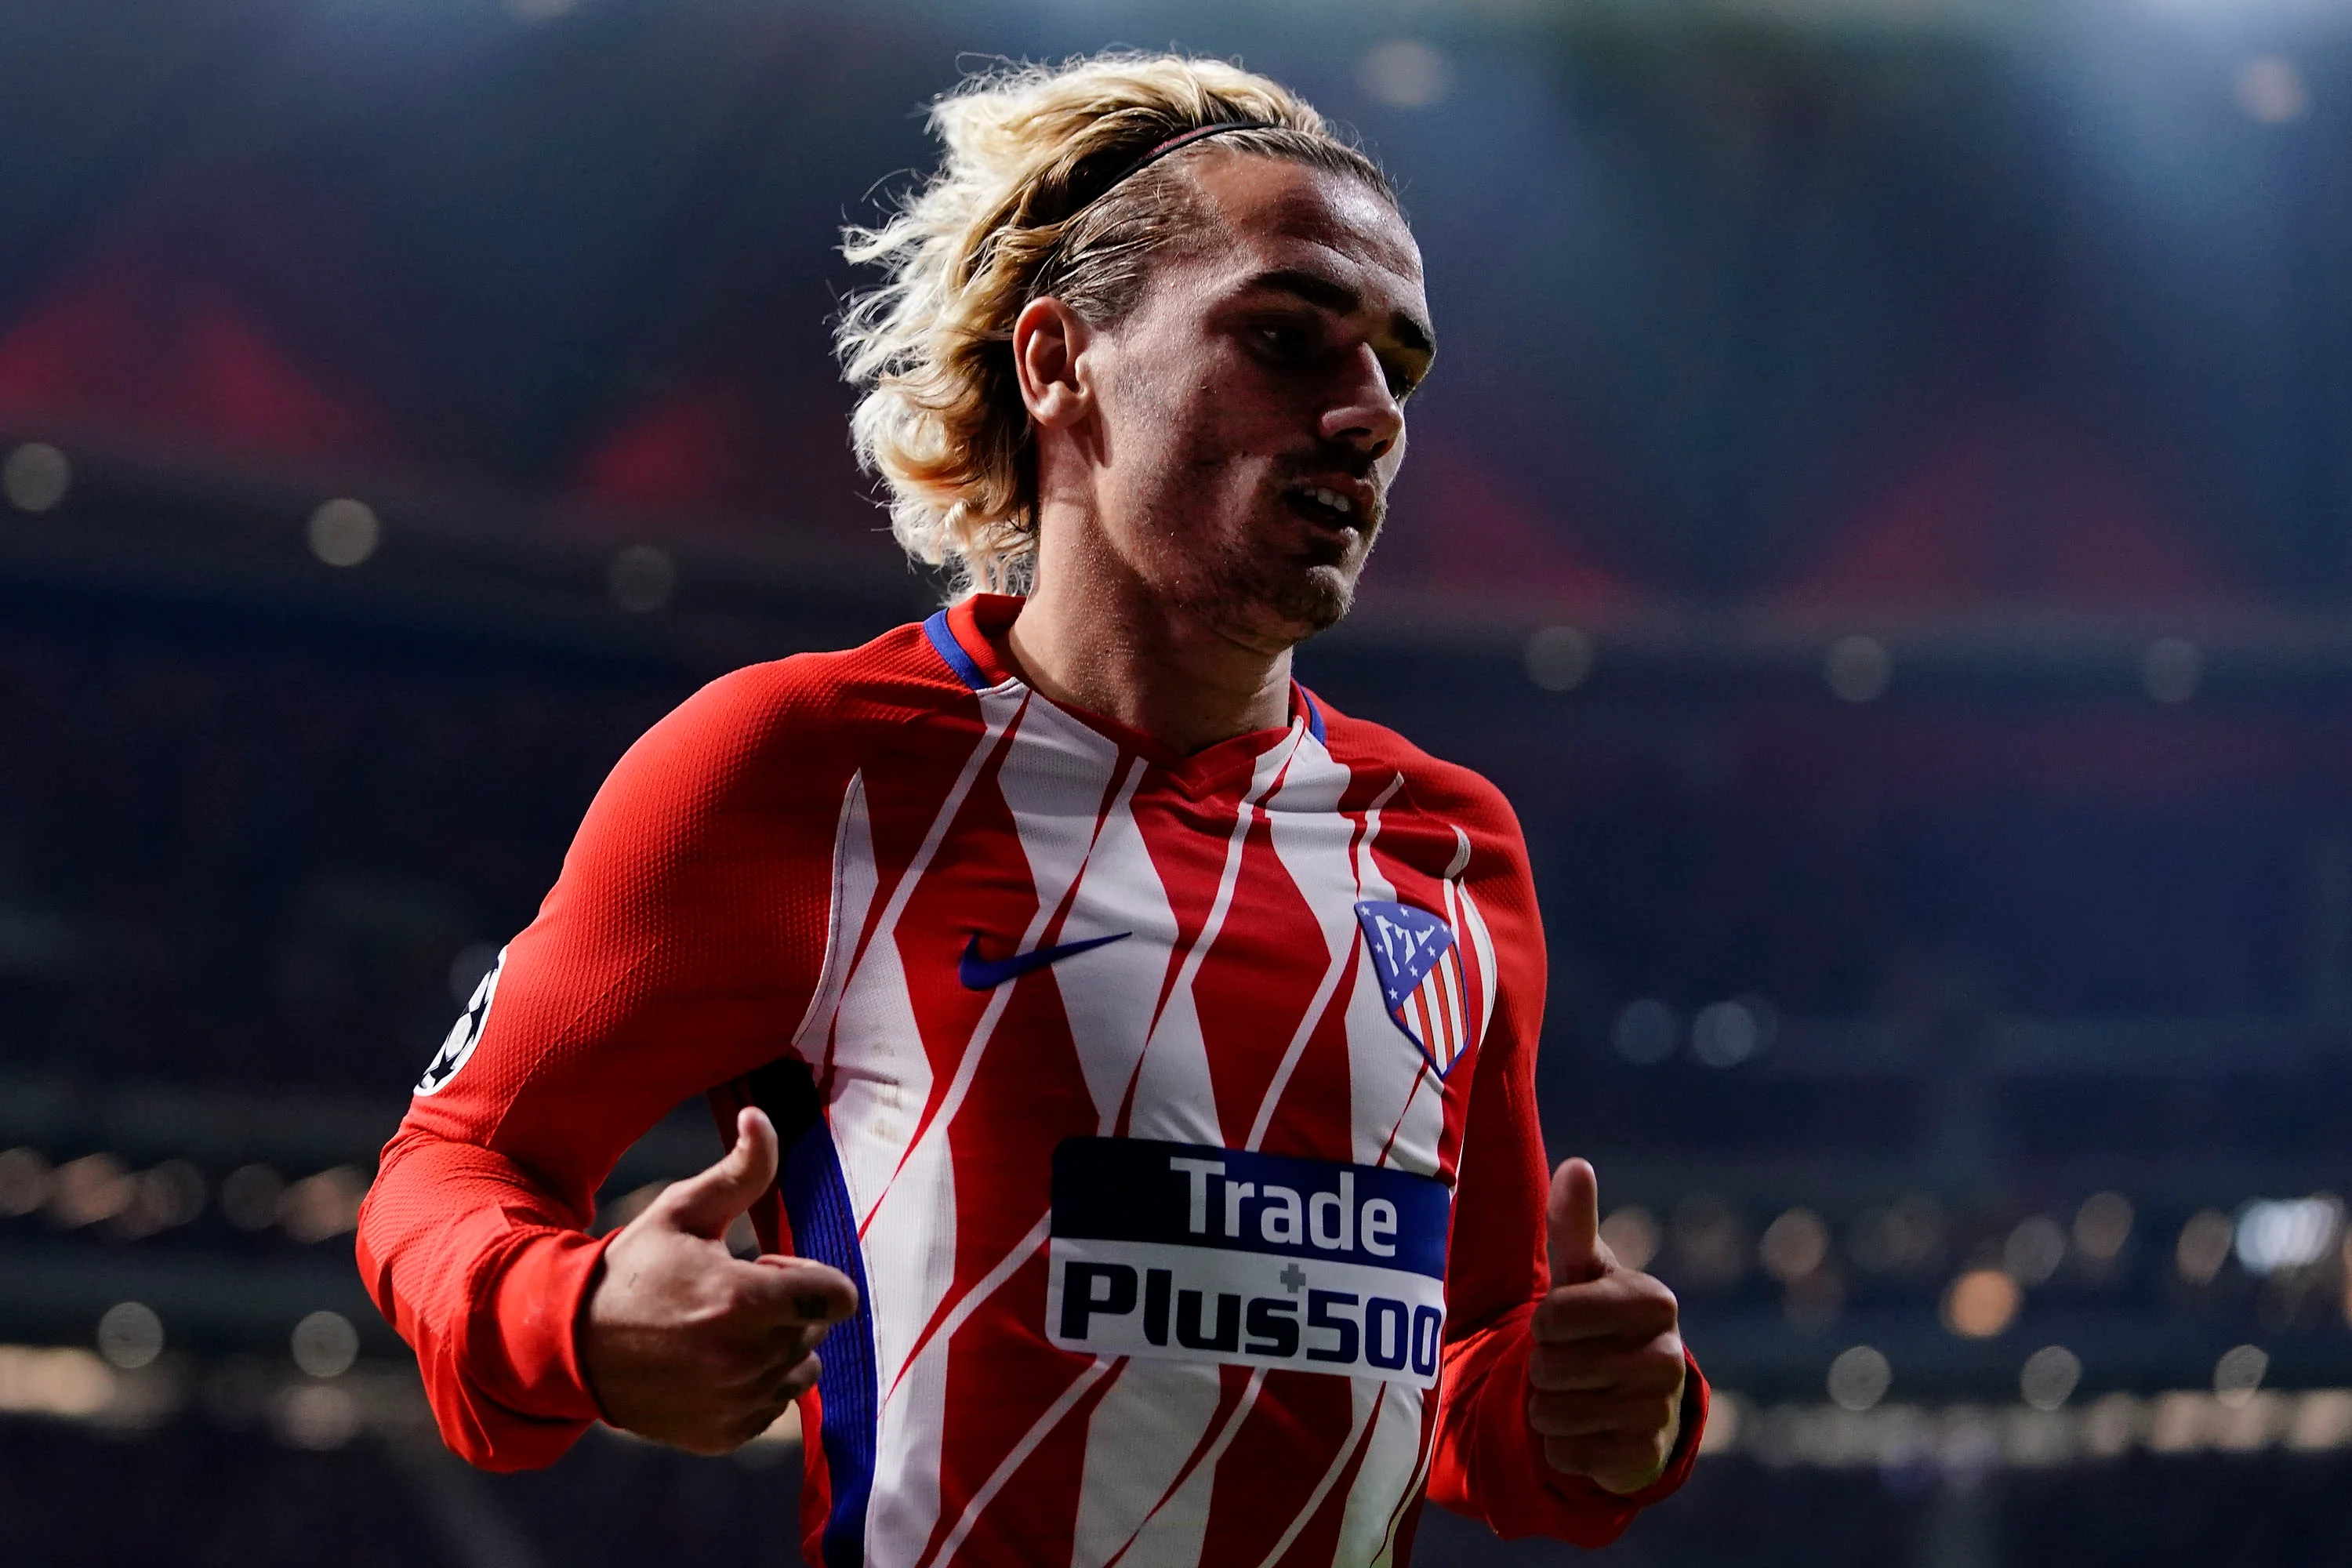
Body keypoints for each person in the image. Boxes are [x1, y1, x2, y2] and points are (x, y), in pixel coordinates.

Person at [358, 52, 1705, 1568]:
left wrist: (1602, 1411)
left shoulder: (1449, 847)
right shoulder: (806, 765)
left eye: (1401, 368)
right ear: (1060, 360)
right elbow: (448, 1169)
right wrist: (576, 1311)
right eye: (1287, 338)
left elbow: (1465, 1367)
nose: (1369, 415)